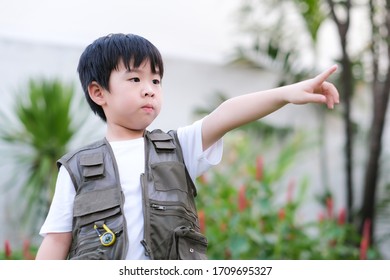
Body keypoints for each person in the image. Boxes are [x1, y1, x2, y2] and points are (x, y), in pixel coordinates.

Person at [35, 33, 339, 260]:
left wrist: (286, 93)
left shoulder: (178, 148)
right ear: (99, 93)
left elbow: (226, 114)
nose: (149, 90)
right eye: (135, 78)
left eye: (156, 81)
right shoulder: (76, 168)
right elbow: (56, 242)